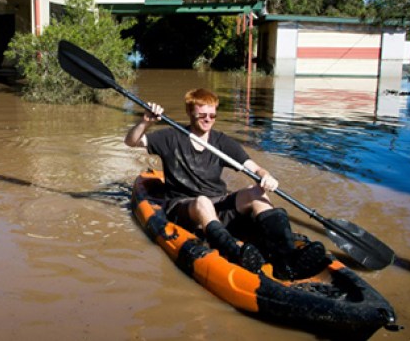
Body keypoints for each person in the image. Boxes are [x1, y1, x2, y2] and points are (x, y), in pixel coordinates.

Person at [124, 88, 328, 280]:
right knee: (203, 201)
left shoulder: (222, 142)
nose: (208, 120)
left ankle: (285, 258)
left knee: (256, 192)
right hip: (184, 207)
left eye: (212, 116)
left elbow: (255, 168)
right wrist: (145, 122)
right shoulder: (171, 136)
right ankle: (234, 253)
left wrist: (266, 176)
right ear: (189, 112)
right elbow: (131, 141)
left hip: (218, 203)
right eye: (202, 115)